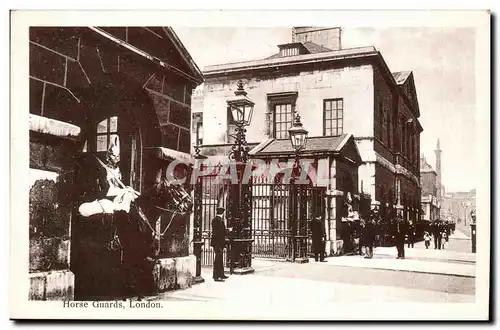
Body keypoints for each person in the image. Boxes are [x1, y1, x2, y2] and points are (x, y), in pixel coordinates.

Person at [211, 207, 228, 282]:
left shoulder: (215, 220)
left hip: (217, 242)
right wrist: (227, 231)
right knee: (218, 259)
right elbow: (220, 232)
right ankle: (216, 276)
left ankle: (221, 274)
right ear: (222, 213)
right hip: (218, 243)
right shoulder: (219, 221)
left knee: (219, 259)